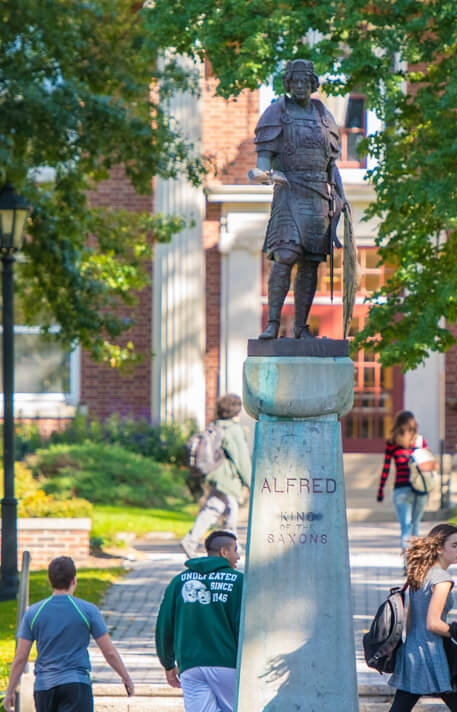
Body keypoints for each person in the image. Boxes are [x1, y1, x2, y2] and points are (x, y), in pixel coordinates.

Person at [249, 58, 351, 339]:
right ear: (288, 84)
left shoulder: (324, 117)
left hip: (319, 196)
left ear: (313, 84)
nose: (300, 86)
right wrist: (263, 173)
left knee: (310, 261)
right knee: (285, 255)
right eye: (294, 81)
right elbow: (263, 161)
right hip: (290, 192)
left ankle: (301, 327)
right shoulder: (276, 113)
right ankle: (272, 323)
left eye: (305, 81)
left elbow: (332, 165)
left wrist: (341, 198)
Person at [4, 556, 134, 712]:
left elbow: (20, 657)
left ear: (50, 580)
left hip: (44, 687)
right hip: (76, 686)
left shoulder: (33, 612)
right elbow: (109, 652)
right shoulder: (87, 610)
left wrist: (10, 691)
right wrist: (125, 677)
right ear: (74, 580)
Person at [156, 530, 245, 712]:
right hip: (228, 664)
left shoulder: (179, 581)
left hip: (190, 666)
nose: (238, 556)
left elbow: (165, 625)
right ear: (223, 552)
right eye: (235, 550)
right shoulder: (239, 582)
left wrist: (167, 662)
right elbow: (243, 626)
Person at [388, 523, 457, 712]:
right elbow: (433, 623)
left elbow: (410, 620)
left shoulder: (420, 573)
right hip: (434, 654)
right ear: (439, 548)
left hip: (413, 650)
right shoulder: (442, 580)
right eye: (454, 545)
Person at [182, 394, 254, 559]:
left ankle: (191, 541)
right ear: (237, 411)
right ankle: (232, 547)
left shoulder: (215, 426)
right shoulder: (233, 430)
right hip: (227, 478)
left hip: (215, 475)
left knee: (214, 508)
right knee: (231, 511)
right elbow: (241, 459)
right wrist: (251, 483)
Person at [377, 411, 434, 550]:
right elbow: (427, 465)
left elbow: (386, 468)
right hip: (420, 489)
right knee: (415, 526)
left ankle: (407, 565)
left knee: (405, 529)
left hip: (401, 488)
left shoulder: (392, 443)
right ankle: (415, 566)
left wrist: (381, 490)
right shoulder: (420, 442)